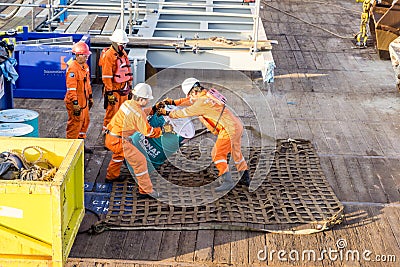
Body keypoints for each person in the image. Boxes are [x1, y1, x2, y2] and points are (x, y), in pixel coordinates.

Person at [157, 78, 250, 192]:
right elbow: (188, 101)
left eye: (190, 94)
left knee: (217, 154)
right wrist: (172, 102)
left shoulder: (200, 103)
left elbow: (183, 113)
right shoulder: (207, 94)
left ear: (194, 92)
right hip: (236, 125)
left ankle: (227, 181)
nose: (189, 97)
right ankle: (245, 177)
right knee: (236, 152)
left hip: (228, 130)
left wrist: (166, 113)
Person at [104, 83, 173, 199]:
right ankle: (145, 190)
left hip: (110, 138)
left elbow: (140, 113)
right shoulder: (138, 114)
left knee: (118, 155)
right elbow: (149, 132)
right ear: (141, 99)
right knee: (140, 162)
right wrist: (163, 130)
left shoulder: (127, 104)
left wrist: (155, 108)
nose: (147, 102)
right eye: (146, 100)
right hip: (119, 142)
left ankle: (111, 176)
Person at [100, 29, 133, 133]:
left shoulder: (123, 53)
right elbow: (106, 76)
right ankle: (107, 136)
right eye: (122, 45)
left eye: (124, 45)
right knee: (111, 114)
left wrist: (130, 86)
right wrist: (109, 92)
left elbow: (127, 70)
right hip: (113, 91)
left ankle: (118, 134)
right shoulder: (109, 56)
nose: (123, 47)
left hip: (123, 89)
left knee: (122, 113)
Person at [64, 41, 93, 153]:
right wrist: (75, 103)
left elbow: (87, 84)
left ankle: (81, 144)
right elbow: (71, 89)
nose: (86, 57)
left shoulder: (85, 67)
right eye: (84, 55)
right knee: (75, 124)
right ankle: (71, 148)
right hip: (76, 101)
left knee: (85, 121)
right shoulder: (73, 69)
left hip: (84, 100)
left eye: (87, 55)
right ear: (77, 55)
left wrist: (90, 97)